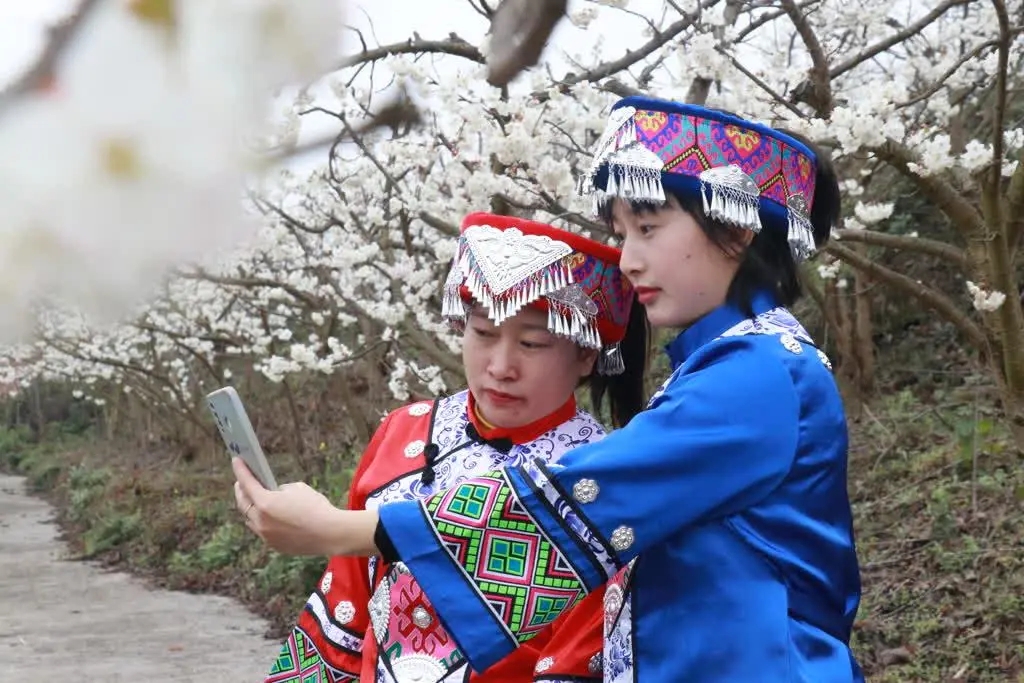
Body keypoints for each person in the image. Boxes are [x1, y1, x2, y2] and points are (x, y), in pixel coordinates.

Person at [236, 96, 864, 681]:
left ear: (737, 229)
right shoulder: (736, 365)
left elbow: (574, 507)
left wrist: (339, 528)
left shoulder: (759, 374)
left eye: (647, 228)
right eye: (622, 233)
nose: (628, 258)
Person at [259, 211, 646, 682]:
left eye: (532, 343)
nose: (500, 366)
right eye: (482, 333)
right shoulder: (404, 431)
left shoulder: (601, 475)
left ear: (586, 353)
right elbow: (345, 611)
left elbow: (580, 658)